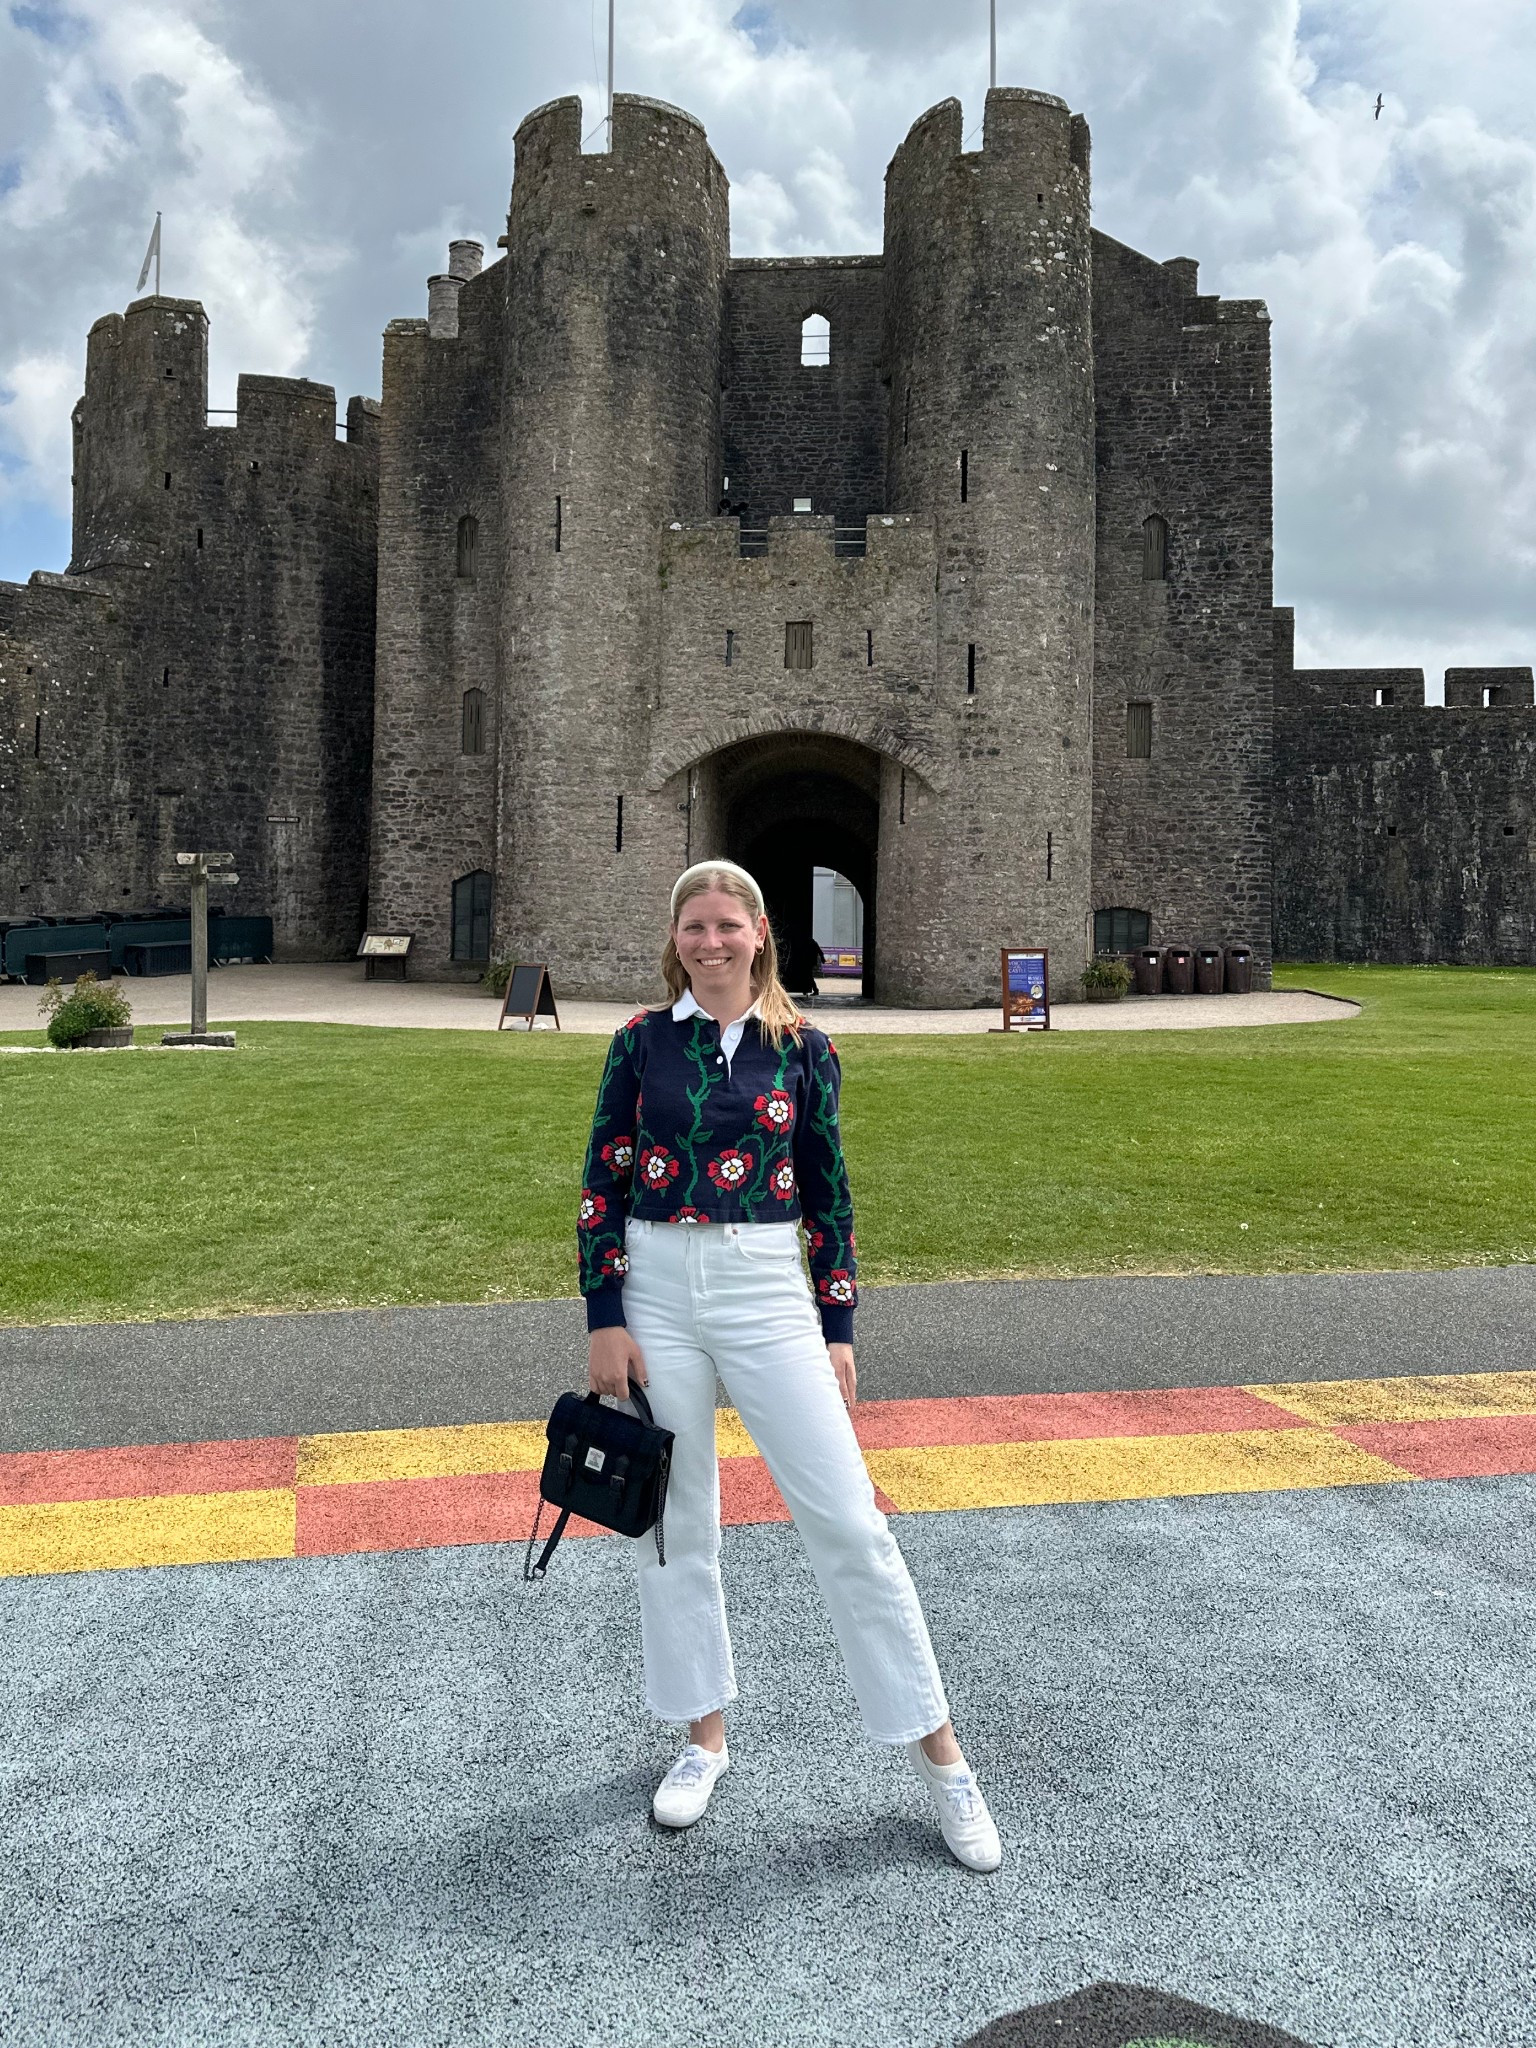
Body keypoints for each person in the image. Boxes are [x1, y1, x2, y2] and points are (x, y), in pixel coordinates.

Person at [576, 858, 1002, 1871]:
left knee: (851, 1521)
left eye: (728, 924)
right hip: (657, 1286)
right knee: (674, 1525)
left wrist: (838, 1324)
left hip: (768, 1285)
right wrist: (605, 1314)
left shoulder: (804, 1047)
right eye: (694, 926)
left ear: (760, 932)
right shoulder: (640, 1042)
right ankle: (702, 1736)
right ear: (675, 938)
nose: (711, 942)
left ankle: (942, 1758)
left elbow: (828, 1192)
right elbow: (603, 1176)